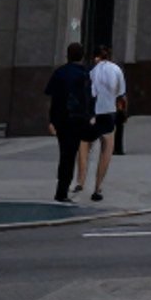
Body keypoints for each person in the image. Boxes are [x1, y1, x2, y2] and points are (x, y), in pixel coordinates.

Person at [44, 42, 95, 205]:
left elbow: (52, 97)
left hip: (61, 119)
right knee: (74, 153)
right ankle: (71, 186)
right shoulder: (85, 74)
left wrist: (51, 120)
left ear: (67, 55)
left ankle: (61, 189)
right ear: (82, 56)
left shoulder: (60, 73)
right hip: (78, 119)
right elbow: (89, 98)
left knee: (65, 153)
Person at [82, 42, 127, 201]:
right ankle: (97, 187)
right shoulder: (116, 70)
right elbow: (121, 94)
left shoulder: (91, 72)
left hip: (93, 114)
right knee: (106, 151)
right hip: (109, 113)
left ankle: (80, 179)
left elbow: (89, 92)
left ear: (95, 57)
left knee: (85, 147)